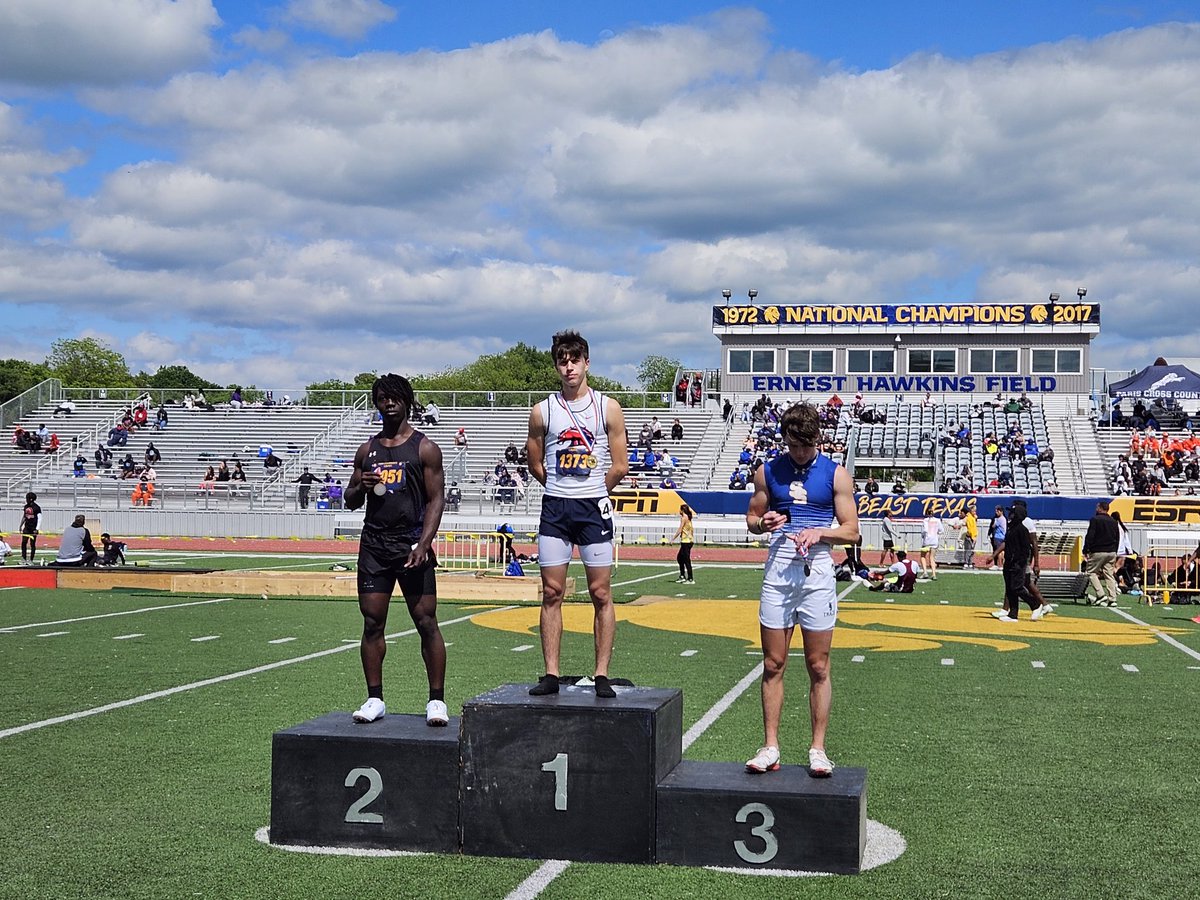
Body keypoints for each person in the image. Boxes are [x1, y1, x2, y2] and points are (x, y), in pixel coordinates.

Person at [744, 403, 859, 778]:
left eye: (805, 446)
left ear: (817, 440)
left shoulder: (835, 474)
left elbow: (852, 531)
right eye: (792, 446)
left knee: (818, 665)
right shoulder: (767, 471)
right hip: (779, 570)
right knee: (773, 663)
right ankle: (770, 746)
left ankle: (818, 749)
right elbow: (752, 518)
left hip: (817, 571)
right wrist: (763, 523)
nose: (798, 453)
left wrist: (820, 532)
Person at [526, 330, 628, 699]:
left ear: (587, 363)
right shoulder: (543, 410)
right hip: (556, 508)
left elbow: (620, 465)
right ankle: (551, 673)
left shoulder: (607, 407)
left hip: (593, 508)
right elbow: (535, 461)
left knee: (600, 592)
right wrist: (560, 488)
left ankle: (601, 674)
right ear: (556, 366)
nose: (569, 367)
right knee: (552, 592)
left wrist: (594, 490)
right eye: (562, 361)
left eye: (575, 360)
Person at [344, 373, 448, 727]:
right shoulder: (367, 450)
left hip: (411, 545)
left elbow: (436, 500)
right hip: (374, 545)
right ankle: (375, 698)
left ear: (407, 401)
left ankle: (436, 700)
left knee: (426, 622)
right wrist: (361, 484)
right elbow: (350, 500)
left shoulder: (425, 448)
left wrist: (424, 544)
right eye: (382, 398)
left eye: (395, 397)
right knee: (372, 622)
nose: (388, 403)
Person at [991, 505, 1048, 622]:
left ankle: (1035, 604)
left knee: (1016, 587)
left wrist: (1021, 562)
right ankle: (1013, 614)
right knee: (1010, 589)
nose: (1010, 515)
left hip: (1017, 563)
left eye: (1012, 513)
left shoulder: (1022, 529)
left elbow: (1026, 549)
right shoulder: (1011, 527)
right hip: (1009, 562)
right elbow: (1007, 543)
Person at [1083, 499, 1120, 607]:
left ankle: (1100, 594)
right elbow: (1117, 537)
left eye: (1097, 507)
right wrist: (1115, 550)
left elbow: (1090, 535)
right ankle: (1113, 599)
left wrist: (1086, 549)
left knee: (1090, 572)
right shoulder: (1113, 521)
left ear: (1100, 508)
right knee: (1109, 574)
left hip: (1098, 551)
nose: (1096, 509)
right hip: (1111, 551)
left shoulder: (1095, 519)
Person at [672, 503, 695, 584]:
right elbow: (691, 529)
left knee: (686, 560)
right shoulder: (688, 517)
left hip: (686, 541)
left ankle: (690, 578)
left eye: (680, 509)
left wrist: (673, 539)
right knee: (680, 558)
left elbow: (680, 529)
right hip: (688, 540)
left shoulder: (684, 518)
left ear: (682, 510)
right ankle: (682, 576)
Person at [20, 492, 41, 565]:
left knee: (32, 544)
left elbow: (39, 518)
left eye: (27, 498)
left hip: (33, 528)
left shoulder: (37, 507)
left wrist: (37, 529)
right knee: (23, 543)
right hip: (27, 527)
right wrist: (21, 525)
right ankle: (23, 559)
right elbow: (24, 516)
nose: (26, 500)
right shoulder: (26, 506)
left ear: (31, 499)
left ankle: (31, 560)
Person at [920, 514, 943, 581]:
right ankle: (934, 574)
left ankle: (925, 572)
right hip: (934, 541)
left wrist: (922, 535)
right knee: (932, 558)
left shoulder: (925, 520)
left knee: (923, 556)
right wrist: (936, 533)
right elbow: (941, 530)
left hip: (927, 540)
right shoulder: (937, 520)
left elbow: (925, 530)